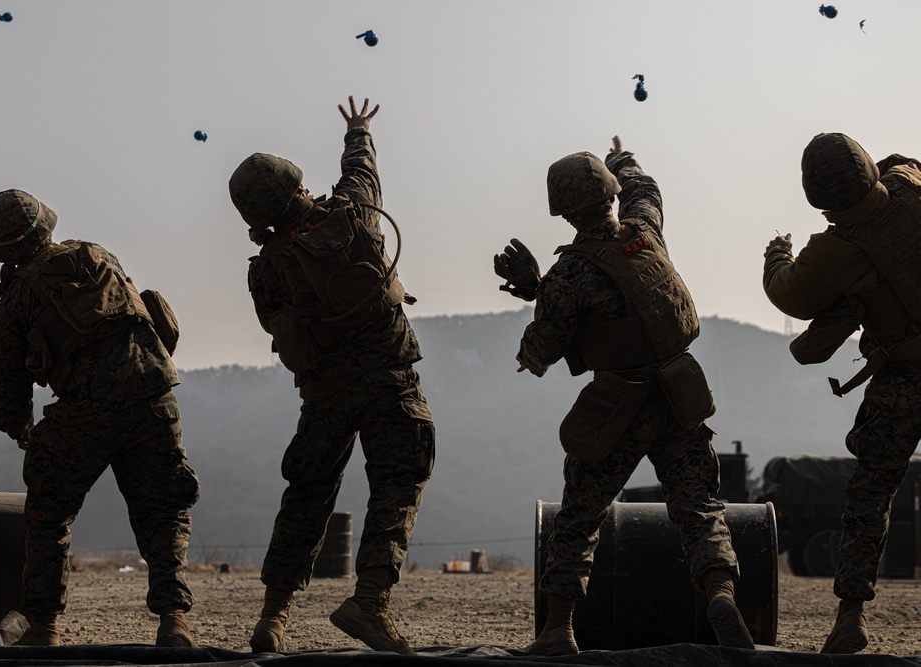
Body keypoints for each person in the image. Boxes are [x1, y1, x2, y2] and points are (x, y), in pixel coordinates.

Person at [495, 136, 755, 655]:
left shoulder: (568, 275)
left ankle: (557, 629)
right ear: (612, 195)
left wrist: (537, 290)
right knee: (699, 506)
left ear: (563, 211)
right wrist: (623, 160)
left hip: (618, 405)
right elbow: (647, 189)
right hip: (679, 394)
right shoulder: (646, 232)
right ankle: (720, 593)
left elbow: (540, 354)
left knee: (581, 514)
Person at [228, 96, 435, 656]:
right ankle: (368, 603)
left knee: (307, 496)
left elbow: (279, 334)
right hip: (391, 381)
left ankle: (273, 617)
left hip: (324, 396)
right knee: (398, 483)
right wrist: (358, 131)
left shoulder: (266, 269)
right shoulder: (354, 212)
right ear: (297, 185)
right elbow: (362, 170)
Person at [0, 189, 200, 647]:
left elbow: (3, 387)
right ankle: (173, 619)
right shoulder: (95, 255)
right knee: (163, 509)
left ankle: (43, 627)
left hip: (85, 410)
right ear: (45, 225)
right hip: (154, 394)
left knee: (47, 515)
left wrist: (25, 432)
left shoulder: (16, 300)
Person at [763, 133, 921, 654]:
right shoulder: (909, 185)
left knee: (870, 496)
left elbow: (789, 293)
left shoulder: (834, 251)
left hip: (903, 380)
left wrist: (777, 255)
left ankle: (850, 617)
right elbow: (902, 166)